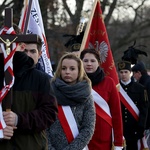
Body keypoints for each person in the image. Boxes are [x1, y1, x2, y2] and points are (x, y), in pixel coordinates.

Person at [0, 33, 58, 149]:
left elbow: (49, 113)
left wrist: (19, 119)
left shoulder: (41, 79)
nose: (28, 55)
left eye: (32, 51)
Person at [47, 52, 95, 150]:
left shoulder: (86, 96)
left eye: (72, 69)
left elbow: (88, 128)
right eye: (64, 68)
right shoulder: (49, 92)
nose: (67, 72)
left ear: (79, 71)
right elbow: (44, 125)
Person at [80, 48, 123, 150]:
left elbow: (116, 114)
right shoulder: (76, 82)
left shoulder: (109, 82)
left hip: (103, 136)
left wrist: (118, 142)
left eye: (93, 61)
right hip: (79, 136)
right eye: (85, 61)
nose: (89, 64)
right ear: (80, 62)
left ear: (99, 63)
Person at [118, 61, 148, 150]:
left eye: (126, 72)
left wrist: (141, 127)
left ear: (130, 73)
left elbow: (144, 110)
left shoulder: (140, 88)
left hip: (134, 129)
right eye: (121, 72)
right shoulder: (115, 89)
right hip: (120, 129)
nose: (123, 75)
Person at [132, 61, 150, 148]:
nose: (133, 76)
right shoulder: (146, 81)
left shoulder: (145, 84)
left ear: (138, 73)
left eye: (134, 74)